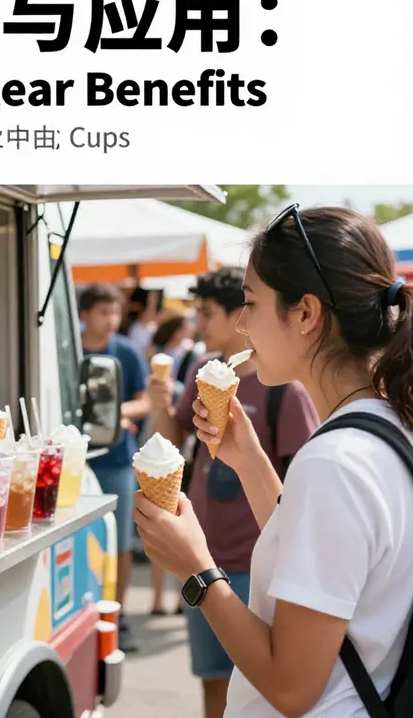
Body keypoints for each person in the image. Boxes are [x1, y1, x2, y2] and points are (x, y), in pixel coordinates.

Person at [135, 206, 413, 717]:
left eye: (250, 303)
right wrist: (251, 464)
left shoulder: (335, 462)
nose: (242, 324)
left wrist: (197, 570)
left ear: (305, 313)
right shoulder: (387, 426)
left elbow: (291, 686)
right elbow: (324, 554)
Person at [146, 266, 319, 718]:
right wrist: (161, 404)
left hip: (256, 561)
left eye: (207, 313)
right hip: (203, 550)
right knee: (214, 686)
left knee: (259, 692)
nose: (198, 323)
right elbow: (173, 443)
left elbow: (303, 482)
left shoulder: (284, 389)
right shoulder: (202, 372)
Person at [80, 283, 151, 652]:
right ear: (84, 315)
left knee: (119, 543)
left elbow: (145, 401)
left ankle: (117, 618)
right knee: (82, 541)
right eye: (103, 312)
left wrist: (114, 414)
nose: (111, 319)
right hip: (77, 460)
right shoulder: (69, 349)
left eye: (115, 312)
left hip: (119, 460)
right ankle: (83, 614)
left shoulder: (127, 351)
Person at [144, 309, 198, 615]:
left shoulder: (193, 356)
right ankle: (162, 598)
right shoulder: (192, 358)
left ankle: (176, 598)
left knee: (172, 530)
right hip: (167, 449)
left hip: (179, 453)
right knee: (163, 529)